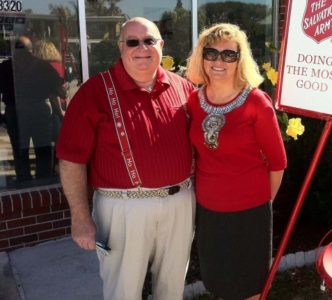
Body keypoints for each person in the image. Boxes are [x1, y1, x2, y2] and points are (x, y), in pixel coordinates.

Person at [56, 17, 195, 300]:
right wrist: (80, 217)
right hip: (122, 209)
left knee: (172, 287)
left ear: (162, 46)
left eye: (149, 41)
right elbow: (71, 159)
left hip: (180, 202)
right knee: (123, 290)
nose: (141, 48)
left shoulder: (184, 88)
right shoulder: (93, 93)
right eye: (132, 41)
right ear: (121, 47)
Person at [186, 23, 287, 300]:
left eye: (229, 55)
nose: (219, 61)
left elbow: (278, 163)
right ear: (202, 57)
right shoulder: (194, 101)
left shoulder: (257, 102)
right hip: (208, 212)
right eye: (211, 53)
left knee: (249, 290)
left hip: (249, 214)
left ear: (239, 60)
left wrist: (262, 205)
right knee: (218, 284)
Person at [0, 36, 65, 182]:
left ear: (14, 50)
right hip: (39, 108)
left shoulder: (4, 67)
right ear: (31, 50)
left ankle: (24, 180)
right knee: (43, 148)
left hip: (15, 111)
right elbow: (59, 91)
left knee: (19, 149)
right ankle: (43, 179)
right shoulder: (42, 66)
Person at [33, 40, 68, 172]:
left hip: (52, 109)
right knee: (57, 142)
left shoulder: (41, 68)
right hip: (58, 108)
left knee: (47, 143)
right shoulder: (57, 66)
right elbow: (60, 90)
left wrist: (59, 112)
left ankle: (47, 170)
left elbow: (54, 93)